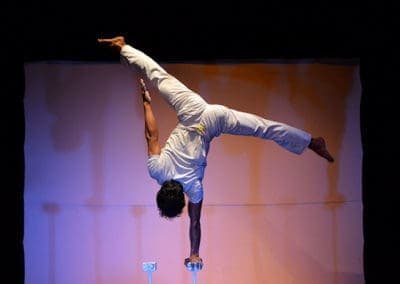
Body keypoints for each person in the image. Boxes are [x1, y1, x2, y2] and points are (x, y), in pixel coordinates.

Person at [97, 36, 334, 267]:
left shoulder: (194, 189)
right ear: (161, 192)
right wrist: (147, 102)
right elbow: (152, 134)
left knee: (262, 127)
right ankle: (123, 46)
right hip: (192, 110)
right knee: (158, 76)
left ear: (183, 201)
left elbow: (195, 222)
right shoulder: (157, 172)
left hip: (212, 121)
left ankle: (310, 142)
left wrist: (194, 254)